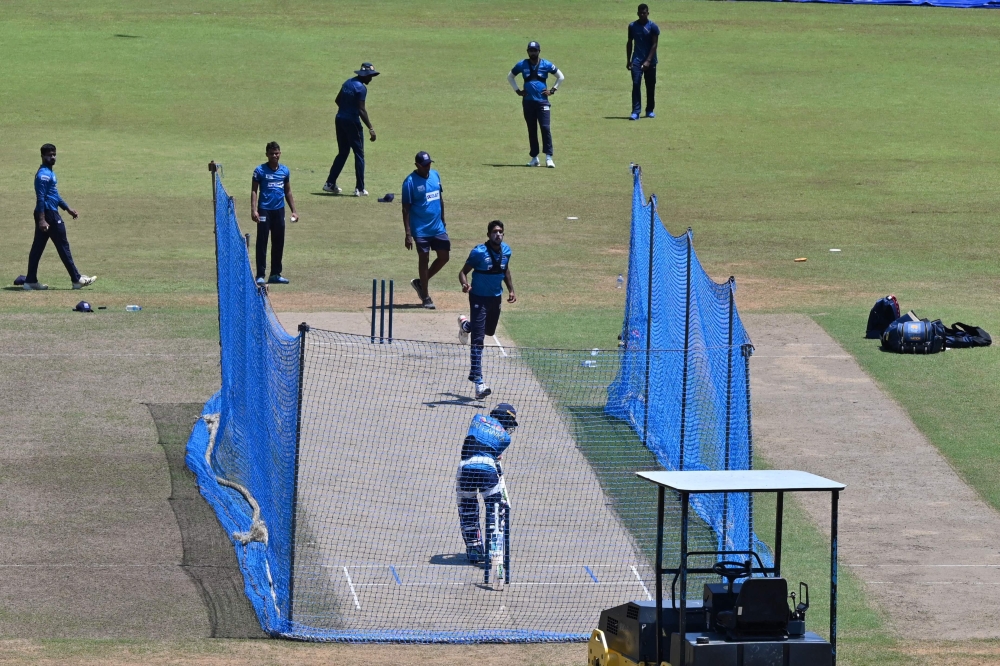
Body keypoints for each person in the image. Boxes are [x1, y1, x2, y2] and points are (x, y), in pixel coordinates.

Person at [24, 144, 96, 291]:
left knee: (37, 247)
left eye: (54, 154)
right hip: (48, 214)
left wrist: (67, 208)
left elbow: (54, 195)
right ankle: (77, 279)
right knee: (63, 246)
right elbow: (41, 198)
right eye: (49, 155)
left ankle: (30, 281)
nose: (52, 157)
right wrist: (42, 219)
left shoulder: (50, 173)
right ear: (42, 156)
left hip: (47, 212)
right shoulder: (43, 174)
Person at [458, 220, 516, 400]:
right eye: (494, 232)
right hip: (478, 298)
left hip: (495, 297)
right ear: (488, 234)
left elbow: (505, 270)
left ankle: (466, 326)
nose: (498, 234)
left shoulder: (506, 251)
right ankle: (479, 383)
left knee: (489, 331)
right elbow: (462, 272)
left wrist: (511, 289)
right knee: (478, 340)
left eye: (501, 232)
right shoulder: (478, 252)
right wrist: (465, 284)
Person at [456, 403, 518, 565]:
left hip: (465, 468)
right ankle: (494, 548)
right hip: (487, 469)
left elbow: (475, 441)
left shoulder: (477, 418)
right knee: (496, 508)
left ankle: (474, 549)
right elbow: (493, 454)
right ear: (506, 419)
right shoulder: (506, 438)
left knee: (467, 508)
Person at [401, 151, 449, 310]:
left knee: (444, 257)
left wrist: (443, 220)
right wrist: (408, 234)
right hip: (420, 229)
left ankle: (421, 283)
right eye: (425, 165)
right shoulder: (409, 182)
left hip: (437, 227)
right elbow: (406, 209)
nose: (428, 167)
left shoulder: (435, 176)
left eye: (429, 164)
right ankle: (426, 297)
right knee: (424, 257)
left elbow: (440, 199)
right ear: (417, 165)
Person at [324, 63, 379, 197]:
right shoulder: (361, 88)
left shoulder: (348, 82)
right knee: (359, 154)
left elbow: (338, 100)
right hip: (352, 122)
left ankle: (330, 183)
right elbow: (361, 110)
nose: (371, 79)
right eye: (370, 76)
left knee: (343, 152)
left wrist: (346, 109)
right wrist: (371, 128)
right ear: (364, 76)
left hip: (340, 119)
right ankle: (359, 188)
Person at [507, 42, 564, 168]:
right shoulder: (522, 64)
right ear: (527, 51)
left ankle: (549, 157)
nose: (533, 52)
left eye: (535, 50)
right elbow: (510, 77)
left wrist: (552, 90)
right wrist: (518, 91)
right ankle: (534, 158)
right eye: (530, 50)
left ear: (539, 51)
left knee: (545, 128)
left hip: (542, 102)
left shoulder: (546, 64)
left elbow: (560, 77)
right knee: (532, 129)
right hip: (528, 103)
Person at [251, 141, 299, 286]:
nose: (274, 156)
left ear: (280, 153)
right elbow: (254, 191)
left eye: (276, 153)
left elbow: (288, 191)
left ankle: (275, 274)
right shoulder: (259, 171)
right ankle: (260, 275)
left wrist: (294, 211)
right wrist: (254, 210)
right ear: (266, 154)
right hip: (264, 209)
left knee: (278, 242)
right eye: (271, 153)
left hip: (279, 210)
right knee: (262, 242)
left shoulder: (284, 171)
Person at [626, 4, 660, 121]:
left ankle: (649, 110)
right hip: (636, 60)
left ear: (647, 13)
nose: (642, 15)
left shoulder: (653, 27)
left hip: (650, 61)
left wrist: (648, 61)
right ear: (637, 13)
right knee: (636, 84)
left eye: (644, 13)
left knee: (650, 86)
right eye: (640, 13)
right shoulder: (632, 26)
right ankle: (635, 112)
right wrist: (628, 60)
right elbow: (629, 42)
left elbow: (655, 45)